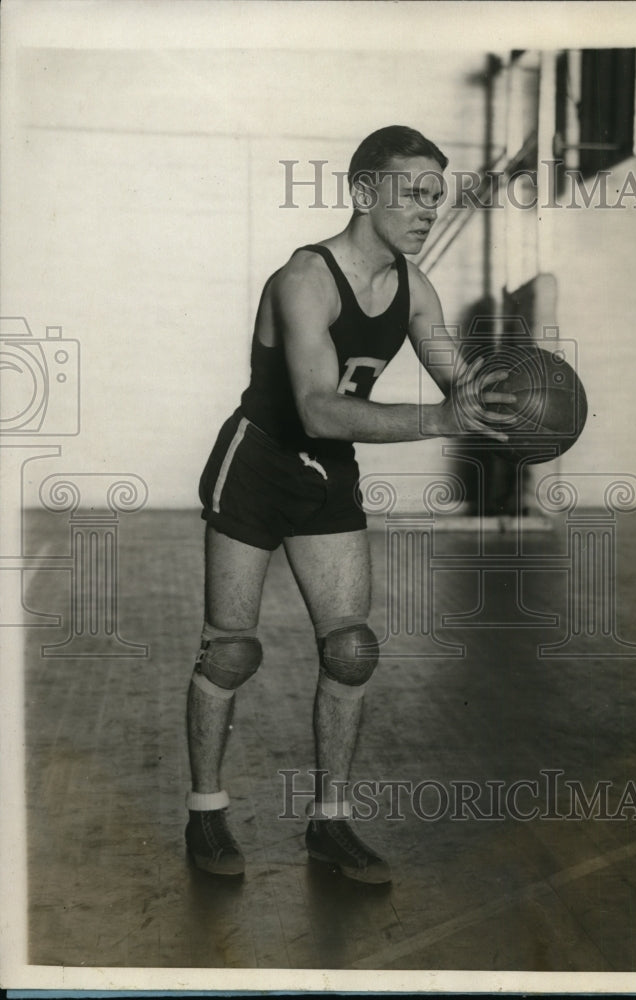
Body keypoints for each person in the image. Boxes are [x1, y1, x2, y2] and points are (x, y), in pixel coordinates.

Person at [185, 125, 514, 883]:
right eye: (413, 192)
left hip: (325, 475)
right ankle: (206, 813)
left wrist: (521, 409)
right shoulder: (303, 278)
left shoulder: (414, 288)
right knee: (232, 650)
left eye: (438, 194)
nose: (429, 208)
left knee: (351, 648)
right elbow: (317, 410)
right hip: (257, 465)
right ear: (365, 193)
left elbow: (460, 391)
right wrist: (439, 421)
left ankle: (328, 825)